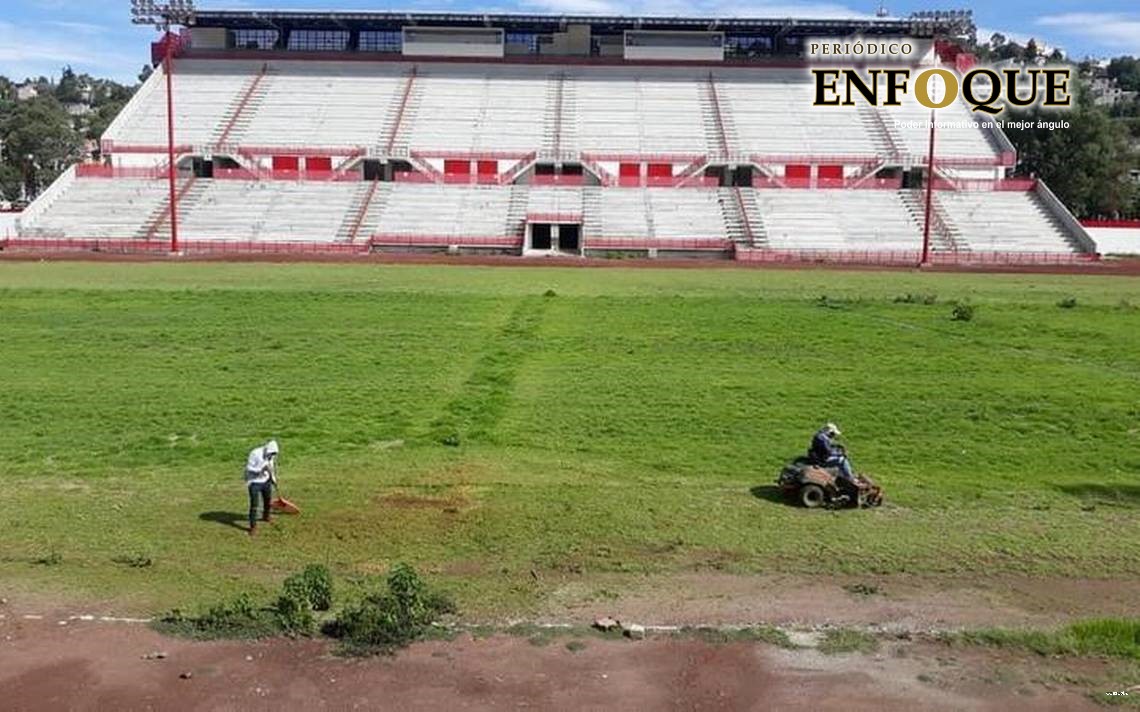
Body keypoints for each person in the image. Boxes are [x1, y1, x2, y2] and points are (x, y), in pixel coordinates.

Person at [244, 439, 279, 536]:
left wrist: (273, 478)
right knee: (254, 505)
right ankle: (253, 526)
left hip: (266, 481)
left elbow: (271, 467)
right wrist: (261, 469)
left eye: (273, 454)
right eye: (271, 454)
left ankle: (266, 516)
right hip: (254, 482)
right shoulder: (255, 453)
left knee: (268, 501)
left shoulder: (271, 456)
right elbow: (249, 468)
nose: (272, 456)